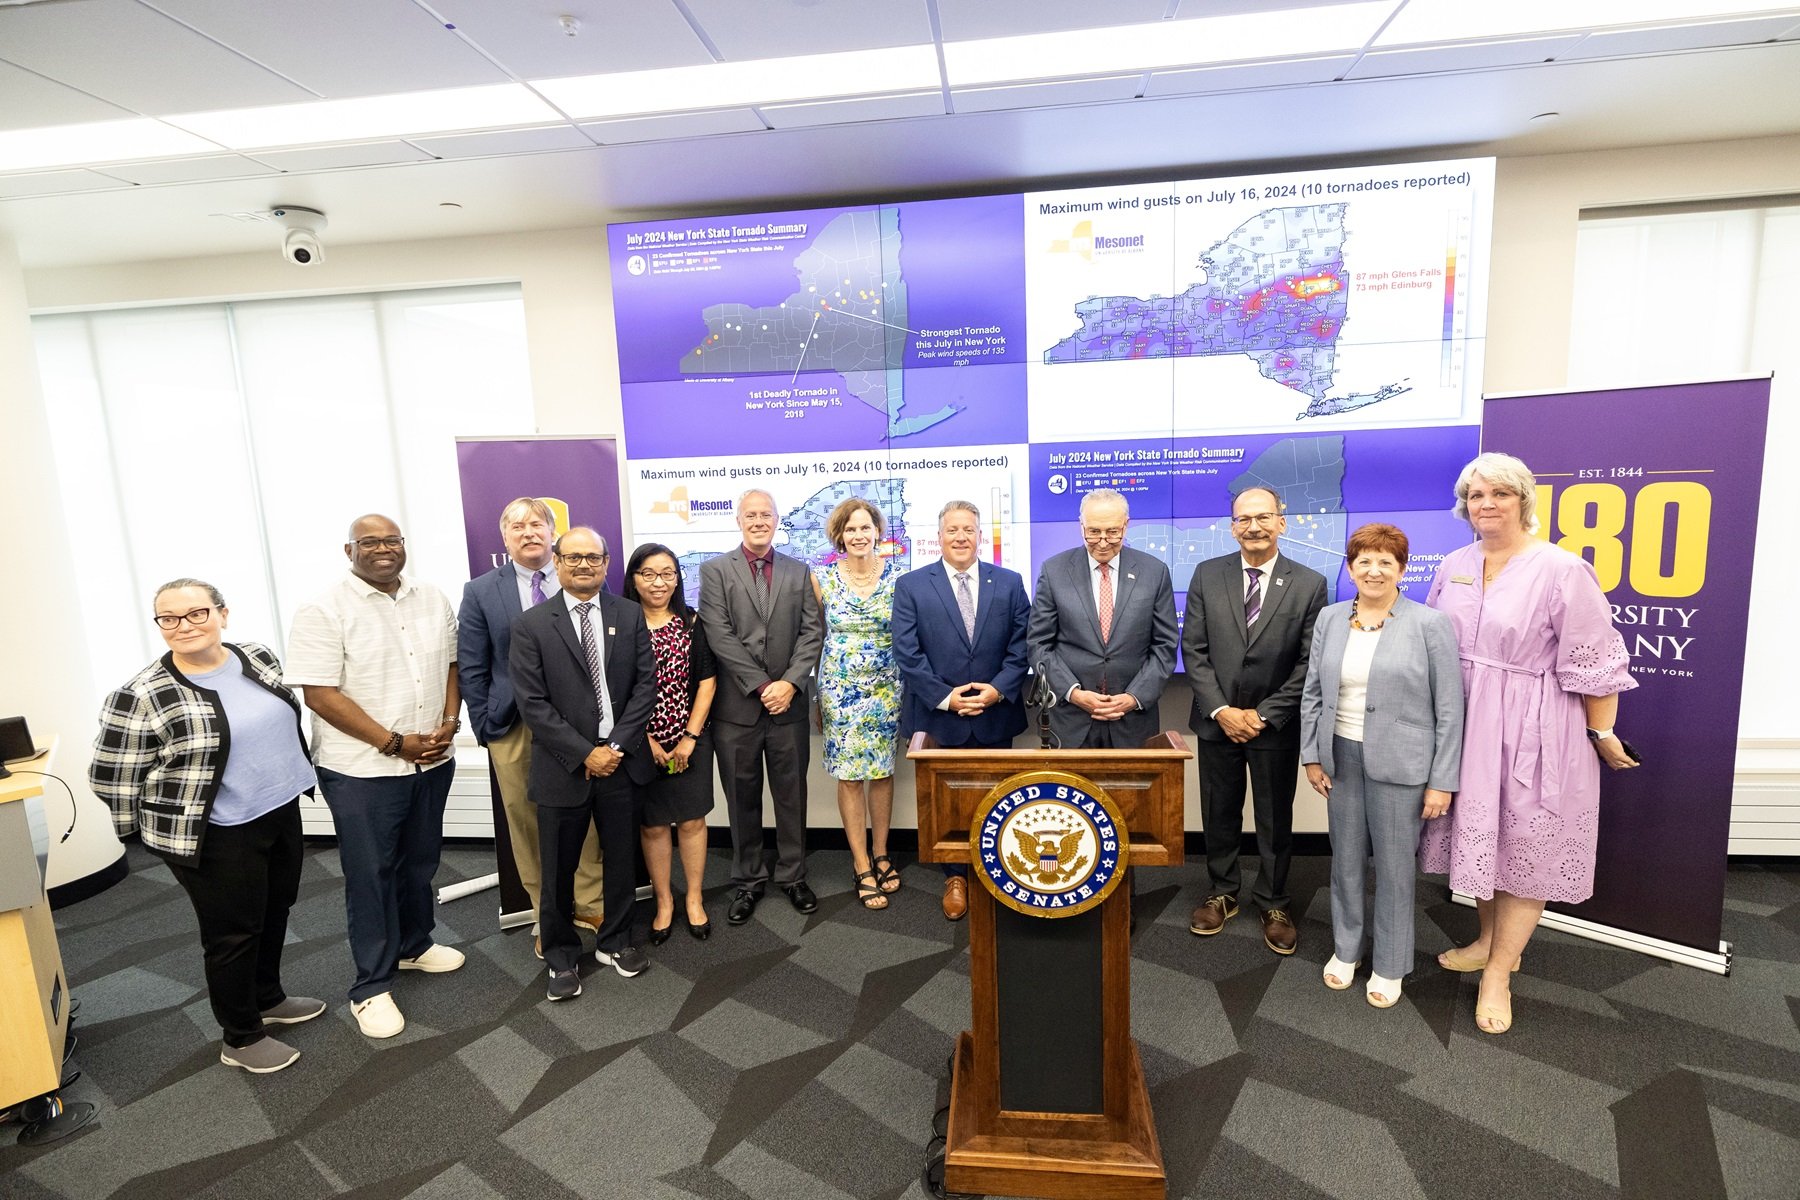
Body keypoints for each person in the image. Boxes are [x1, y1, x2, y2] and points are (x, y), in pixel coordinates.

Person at [1422, 452, 1638, 1034]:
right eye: (1476, 495)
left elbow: (1595, 660)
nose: (1486, 504)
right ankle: (1490, 941)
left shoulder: (1562, 569)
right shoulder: (1452, 564)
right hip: (1465, 725)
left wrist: (1602, 732)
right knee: (1485, 841)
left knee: (1527, 846)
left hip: (1534, 729)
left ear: (1524, 501)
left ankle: (1499, 974)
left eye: (1500, 494)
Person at [89, 579, 324, 1074]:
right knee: (233, 932)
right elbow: (110, 775)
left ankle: (267, 997)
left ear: (222, 613)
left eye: (196, 613)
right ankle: (240, 1037)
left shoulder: (256, 657)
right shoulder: (141, 694)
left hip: (278, 808)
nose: (183, 627)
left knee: (276, 907)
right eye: (169, 618)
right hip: (214, 831)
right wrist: (142, 833)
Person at [286, 515, 464, 1040]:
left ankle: (413, 945)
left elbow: (453, 666)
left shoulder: (431, 597)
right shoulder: (322, 609)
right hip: (362, 770)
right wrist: (392, 742)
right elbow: (319, 694)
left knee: (420, 862)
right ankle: (371, 986)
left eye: (391, 540)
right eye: (370, 542)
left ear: (404, 545)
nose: (382, 549)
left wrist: (450, 724)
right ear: (349, 549)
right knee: (372, 874)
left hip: (430, 758)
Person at [1301, 524, 1463, 1007]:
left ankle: (1391, 964)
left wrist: (1442, 781)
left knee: (1394, 870)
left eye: (1385, 562)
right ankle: (1346, 950)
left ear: (1402, 569)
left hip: (1403, 766)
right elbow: (1313, 693)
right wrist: (1311, 755)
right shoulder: (1330, 619)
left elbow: (1450, 708)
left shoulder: (1429, 624)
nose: (1374, 571)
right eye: (1364, 561)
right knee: (1345, 863)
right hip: (1341, 759)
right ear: (1350, 569)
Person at [509, 528, 658, 999]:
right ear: (556, 561)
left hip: (619, 762)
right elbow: (533, 704)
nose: (583, 565)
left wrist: (613, 749)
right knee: (557, 869)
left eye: (593, 557)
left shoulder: (629, 615)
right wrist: (583, 752)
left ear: (606, 563)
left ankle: (613, 941)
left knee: (619, 860)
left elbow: (645, 688)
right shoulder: (532, 624)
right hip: (563, 766)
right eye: (573, 557)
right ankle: (559, 955)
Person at [1182, 485, 1328, 956]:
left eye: (1263, 517)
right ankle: (1222, 892)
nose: (1254, 527)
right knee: (1218, 812)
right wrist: (1223, 711)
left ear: (1281, 522)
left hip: (1274, 726)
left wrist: (1263, 714)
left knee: (1273, 817)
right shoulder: (1207, 574)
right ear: (1232, 527)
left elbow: (1309, 663)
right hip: (1216, 721)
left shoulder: (1309, 582)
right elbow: (1195, 651)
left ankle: (1273, 901)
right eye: (1244, 519)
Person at [458, 497, 604, 956]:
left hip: (575, 722)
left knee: (584, 814)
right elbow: (472, 664)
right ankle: (548, 914)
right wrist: (484, 724)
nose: (528, 532)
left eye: (537, 523)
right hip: (512, 724)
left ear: (553, 532)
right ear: (504, 537)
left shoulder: (578, 581)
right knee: (526, 822)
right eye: (517, 526)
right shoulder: (481, 591)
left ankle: (589, 901)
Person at [892, 499, 1031, 921]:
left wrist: (998, 690)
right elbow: (907, 652)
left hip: (995, 712)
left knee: (997, 797)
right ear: (939, 537)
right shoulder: (912, 585)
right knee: (947, 803)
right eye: (952, 530)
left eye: (968, 530)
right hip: (939, 716)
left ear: (980, 536)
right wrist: (947, 697)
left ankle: (997, 873)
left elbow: (1023, 643)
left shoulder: (1008, 582)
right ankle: (956, 876)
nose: (960, 537)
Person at [699, 488, 825, 925]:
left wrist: (789, 684)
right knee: (741, 798)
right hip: (737, 710)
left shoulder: (798, 570)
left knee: (792, 796)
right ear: (739, 520)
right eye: (750, 515)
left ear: (776, 520)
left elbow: (813, 633)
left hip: (788, 707)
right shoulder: (714, 571)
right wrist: (761, 686)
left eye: (766, 515)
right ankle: (748, 880)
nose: (758, 521)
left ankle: (793, 875)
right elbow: (719, 636)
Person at [1028, 487, 1178, 750]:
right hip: (1071, 721)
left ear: (1126, 526)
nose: (1103, 540)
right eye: (1094, 531)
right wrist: (1074, 693)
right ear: (1081, 526)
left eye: (1112, 531)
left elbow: (1164, 646)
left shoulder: (1155, 572)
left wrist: (1133, 697)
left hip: (1133, 721)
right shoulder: (1054, 571)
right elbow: (1039, 645)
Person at [810, 498, 903, 911]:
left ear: (878, 533)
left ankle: (882, 853)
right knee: (849, 778)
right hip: (840, 689)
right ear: (839, 536)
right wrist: (814, 694)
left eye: (866, 528)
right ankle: (861, 862)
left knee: (882, 773)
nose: (859, 536)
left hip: (887, 689)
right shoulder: (821, 580)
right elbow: (813, 640)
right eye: (851, 529)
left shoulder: (901, 579)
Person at [622, 543, 717, 942]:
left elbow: (708, 681)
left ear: (677, 578)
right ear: (634, 578)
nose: (659, 582)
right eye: (649, 573)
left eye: (667, 573)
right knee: (655, 826)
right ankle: (664, 902)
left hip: (690, 740)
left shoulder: (692, 622)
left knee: (693, 820)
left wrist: (689, 739)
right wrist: (647, 741)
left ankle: (694, 899)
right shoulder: (621, 624)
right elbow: (617, 690)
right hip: (640, 742)